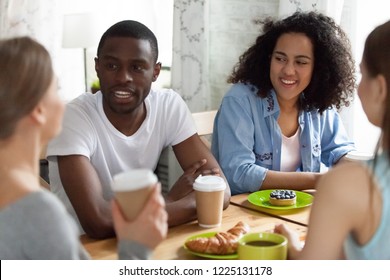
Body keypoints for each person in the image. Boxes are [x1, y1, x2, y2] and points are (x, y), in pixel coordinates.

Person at [47, 20, 231, 239]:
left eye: (136, 67)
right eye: (112, 66)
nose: (123, 77)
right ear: (98, 67)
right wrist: (185, 203)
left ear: (155, 72)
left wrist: (169, 206)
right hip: (78, 247)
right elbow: (99, 222)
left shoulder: (167, 106)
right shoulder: (74, 116)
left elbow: (221, 191)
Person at [0, 36, 167, 259]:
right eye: (56, 89)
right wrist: (136, 245)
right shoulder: (38, 214)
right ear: (38, 110)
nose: (62, 102)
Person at [275, 19, 390, 259]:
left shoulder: (345, 186)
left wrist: (294, 248)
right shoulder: (242, 100)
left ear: (380, 89)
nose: (357, 88)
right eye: (280, 58)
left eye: (362, 74)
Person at [211, 12, 356, 195]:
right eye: (280, 59)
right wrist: (317, 180)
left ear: (318, 68)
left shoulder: (316, 103)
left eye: (301, 62)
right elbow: (238, 174)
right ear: (268, 59)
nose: (288, 70)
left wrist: (361, 169)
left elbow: (339, 150)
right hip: (244, 214)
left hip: (296, 213)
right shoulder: (240, 100)